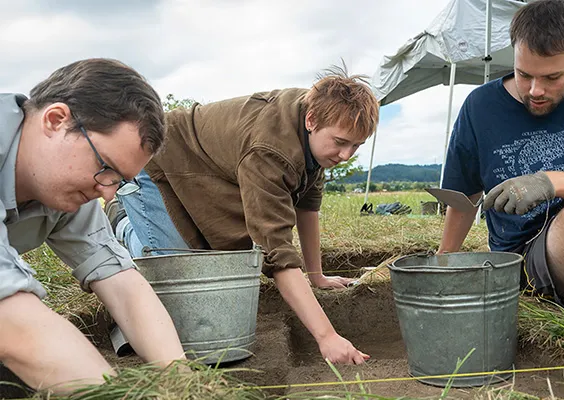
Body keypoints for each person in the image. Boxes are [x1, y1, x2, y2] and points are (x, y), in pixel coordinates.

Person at [107, 67, 380, 364]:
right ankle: (123, 221)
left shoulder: (313, 134)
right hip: (161, 158)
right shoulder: (272, 149)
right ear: (311, 120)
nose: (346, 155)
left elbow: (307, 207)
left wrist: (316, 276)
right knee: (175, 271)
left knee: (212, 264)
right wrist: (327, 337)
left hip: (206, 172)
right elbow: (275, 250)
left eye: (357, 146)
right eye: (340, 142)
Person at [0, 59, 185, 394]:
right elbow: (14, 326)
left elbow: (120, 282)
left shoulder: (65, 185)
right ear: (56, 121)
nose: (107, 191)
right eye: (105, 167)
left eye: (120, 181)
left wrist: (183, 384)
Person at [438, 0, 564, 312]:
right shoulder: (480, 108)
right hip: (529, 258)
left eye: (552, 78)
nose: (535, 90)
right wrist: (444, 261)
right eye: (524, 74)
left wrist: (551, 182)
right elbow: (464, 196)